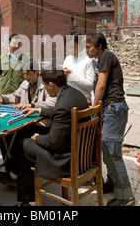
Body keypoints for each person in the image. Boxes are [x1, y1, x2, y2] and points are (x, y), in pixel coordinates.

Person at [14, 68, 89, 206]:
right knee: (27, 139)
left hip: (64, 160)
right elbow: (58, 112)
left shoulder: (62, 105)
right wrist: (39, 110)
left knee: (23, 144)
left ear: (51, 85)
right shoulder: (74, 94)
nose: (45, 89)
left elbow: (52, 142)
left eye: (45, 85)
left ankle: (27, 199)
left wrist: (36, 137)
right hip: (83, 155)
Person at [86, 32, 135, 206]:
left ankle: (125, 196)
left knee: (112, 155)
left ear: (99, 46)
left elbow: (101, 85)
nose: (87, 50)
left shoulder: (106, 56)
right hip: (110, 108)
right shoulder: (100, 59)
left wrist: (93, 108)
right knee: (108, 151)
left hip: (113, 108)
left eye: (89, 46)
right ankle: (113, 183)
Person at [0, 59, 56, 186]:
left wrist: (32, 105)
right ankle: (12, 172)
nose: (25, 76)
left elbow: (52, 103)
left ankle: (21, 174)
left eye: (28, 73)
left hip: (41, 126)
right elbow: (15, 97)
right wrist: (2, 98)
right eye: (24, 73)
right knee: (5, 138)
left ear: (36, 72)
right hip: (26, 123)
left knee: (17, 139)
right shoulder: (24, 84)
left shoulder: (45, 84)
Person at [63, 30, 96, 104]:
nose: (69, 50)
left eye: (72, 47)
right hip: (67, 100)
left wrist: (71, 74)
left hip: (83, 102)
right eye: (67, 47)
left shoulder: (89, 60)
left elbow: (91, 86)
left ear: (80, 44)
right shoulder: (68, 59)